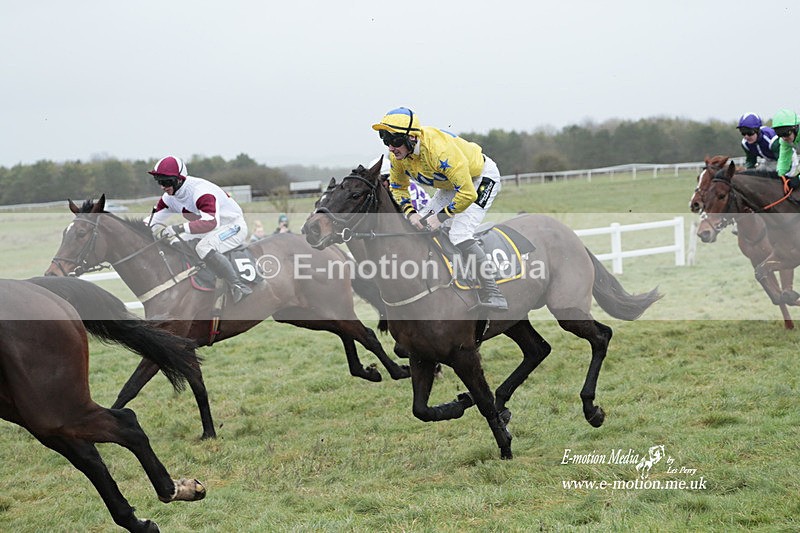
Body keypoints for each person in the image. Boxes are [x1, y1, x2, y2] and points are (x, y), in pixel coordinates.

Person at [372, 107, 507, 311]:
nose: (391, 147)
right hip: (450, 185)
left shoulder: (439, 151)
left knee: (459, 234)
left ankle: (494, 292)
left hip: (479, 179)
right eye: (385, 140)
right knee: (421, 227)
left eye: (395, 141)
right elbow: (398, 187)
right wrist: (411, 213)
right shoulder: (397, 158)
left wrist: (441, 217)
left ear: (412, 137)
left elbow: (468, 194)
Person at [147, 155, 252, 303]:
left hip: (232, 226)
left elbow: (211, 223)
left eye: (166, 182)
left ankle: (238, 286)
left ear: (179, 179)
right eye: (159, 182)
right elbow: (151, 221)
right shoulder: (169, 198)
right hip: (209, 229)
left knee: (204, 247)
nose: (163, 187)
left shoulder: (201, 193)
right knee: (175, 245)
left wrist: (177, 228)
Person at [772, 109, 800, 188]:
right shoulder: (784, 140)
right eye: (779, 134)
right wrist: (781, 176)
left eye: (786, 133)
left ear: (796, 128)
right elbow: (784, 159)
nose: (784, 138)